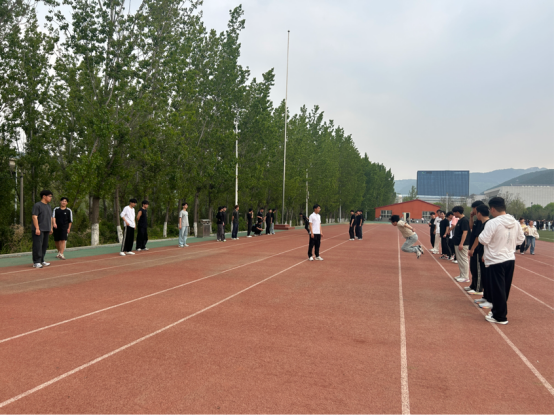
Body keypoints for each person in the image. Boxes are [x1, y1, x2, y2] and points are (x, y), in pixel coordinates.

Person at [478, 197, 525, 325]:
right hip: (509, 258)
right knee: (504, 288)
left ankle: (500, 316)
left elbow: (483, 240)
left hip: (495, 259)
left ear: (492, 209)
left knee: (497, 289)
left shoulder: (492, 223)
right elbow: (521, 240)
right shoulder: (515, 222)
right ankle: (498, 312)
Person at [471, 205, 491, 302]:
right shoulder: (483, 223)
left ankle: (481, 291)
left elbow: (486, 240)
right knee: (482, 273)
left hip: (485, 253)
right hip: (482, 252)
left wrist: (484, 253)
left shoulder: (489, 224)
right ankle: (485, 297)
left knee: (484, 274)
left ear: (479, 213)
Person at [466, 203, 487, 295]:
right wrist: (471, 217)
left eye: (473, 209)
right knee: (473, 268)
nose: (473, 211)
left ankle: (478, 289)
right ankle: (473, 285)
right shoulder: (478, 221)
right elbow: (471, 227)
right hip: (474, 247)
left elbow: (478, 237)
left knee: (477, 269)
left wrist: (473, 249)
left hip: (478, 249)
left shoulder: (483, 222)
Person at [32, 190, 54, 268]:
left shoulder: (48, 206)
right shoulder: (37, 205)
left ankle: (42, 260)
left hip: (47, 229)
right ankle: (36, 262)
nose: (51, 198)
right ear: (44, 196)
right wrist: (37, 228)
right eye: (50, 196)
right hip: (39, 229)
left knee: (44, 245)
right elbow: (34, 217)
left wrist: (51, 227)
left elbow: (50, 217)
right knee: (37, 245)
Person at [452, 206, 471, 284]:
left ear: (457, 212)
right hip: (457, 242)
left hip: (462, 244)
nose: (453, 214)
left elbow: (465, 232)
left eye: (454, 212)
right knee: (460, 260)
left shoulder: (465, 220)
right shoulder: (460, 220)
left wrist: (461, 243)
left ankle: (465, 277)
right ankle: (462, 275)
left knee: (463, 259)